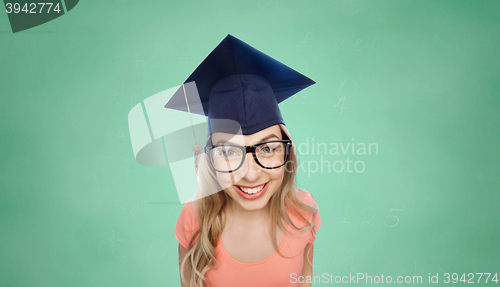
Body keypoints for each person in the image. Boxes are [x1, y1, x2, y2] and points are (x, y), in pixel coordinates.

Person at [165, 34, 321, 287]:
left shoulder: (303, 211)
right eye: (228, 152)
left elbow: (304, 282)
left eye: (268, 148)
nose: (250, 174)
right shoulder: (195, 219)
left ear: (287, 152)